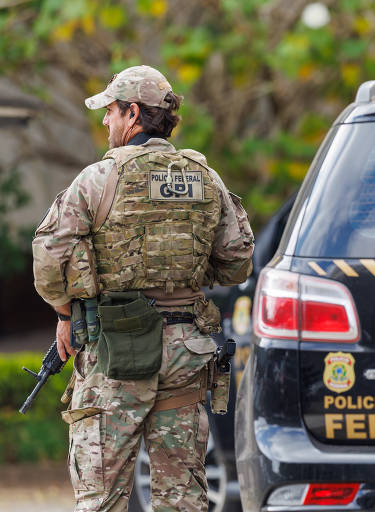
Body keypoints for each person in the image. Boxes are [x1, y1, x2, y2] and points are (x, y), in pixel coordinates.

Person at [32, 65, 254, 511]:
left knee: (102, 498)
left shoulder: (98, 180)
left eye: (111, 111)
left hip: (115, 353)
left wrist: (63, 314)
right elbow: (236, 263)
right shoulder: (206, 179)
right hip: (186, 352)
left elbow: (49, 260)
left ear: (133, 114)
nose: (105, 121)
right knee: (183, 500)